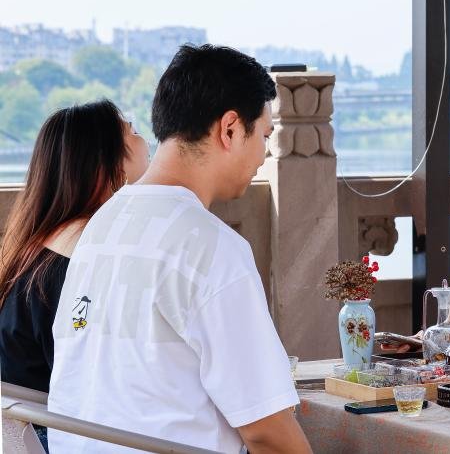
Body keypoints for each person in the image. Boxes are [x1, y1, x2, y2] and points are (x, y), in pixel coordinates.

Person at [48, 45, 311, 453]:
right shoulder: (211, 247)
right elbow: (266, 429)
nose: (264, 153)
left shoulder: (102, 224)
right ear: (229, 129)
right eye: (264, 135)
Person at [0, 101, 149, 450]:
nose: (145, 141)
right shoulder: (83, 255)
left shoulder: (43, 245)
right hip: (58, 434)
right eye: (133, 131)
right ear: (105, 164)